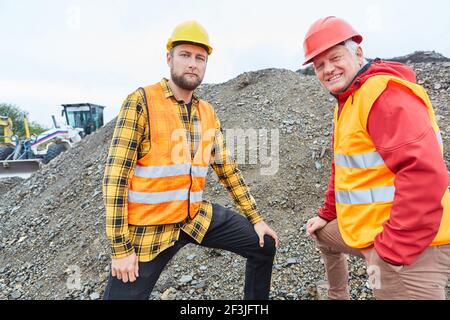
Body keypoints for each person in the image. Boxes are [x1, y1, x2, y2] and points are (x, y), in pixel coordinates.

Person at [102, 20, 279, 300]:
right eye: (185, 55)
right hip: (150, 230)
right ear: (169, 57)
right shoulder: (141, 102)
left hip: (193, 217)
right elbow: (115, 178)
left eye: (200, 58)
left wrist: (256, 219)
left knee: (263, 244)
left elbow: (227, 170)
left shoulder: (207, 112)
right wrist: (121, 249)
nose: (193, 64)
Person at [303, 16, 450, 300]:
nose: (328, 69)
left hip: (412, 246)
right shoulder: (348, 101)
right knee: (323, 235)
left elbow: (425, 173)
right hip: (370, 229)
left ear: (358, 53)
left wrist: (392, 251)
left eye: (335, 58)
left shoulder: (382, 94)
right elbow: (342, 167)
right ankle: (338, 295)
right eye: (319, 65)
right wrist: (327, 214)